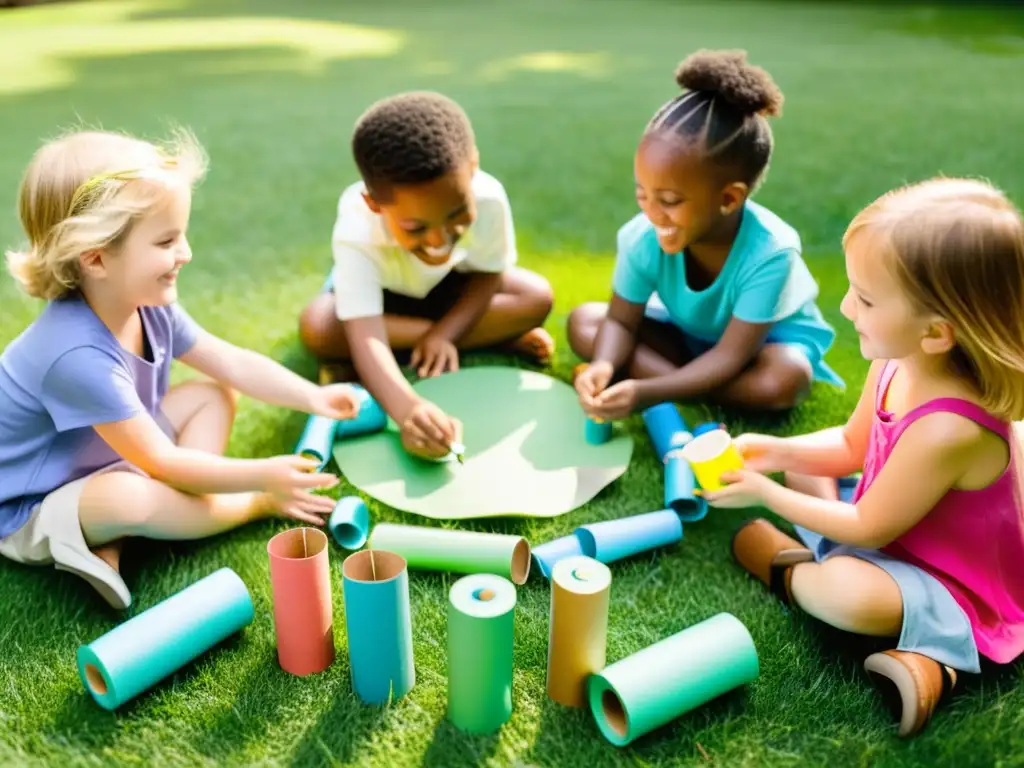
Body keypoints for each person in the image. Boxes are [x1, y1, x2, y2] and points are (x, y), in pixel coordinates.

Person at [708, 178, 1024, 737]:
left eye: (867, 299)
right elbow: (853, 447)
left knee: (844, 593)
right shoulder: (894, 360)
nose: (847, 305)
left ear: (937, 333)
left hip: (949, 577)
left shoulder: (949, 429)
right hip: (893, 526)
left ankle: (922, 656)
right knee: (806, 462)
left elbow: (869, 524)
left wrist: (766, 493)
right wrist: (774, 451)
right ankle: (839, 588)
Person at [0, 129, 361, 611]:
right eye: (167, 240)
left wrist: (311, 397)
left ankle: (143, 528)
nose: (185, 253)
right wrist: (261, 483)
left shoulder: (145, 300)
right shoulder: (74, 355)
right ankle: (200, 513)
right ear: (95, 258)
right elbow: (163, 462)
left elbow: (228, 362)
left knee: (214, 394)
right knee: (127, 499)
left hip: (107, 456)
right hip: (35, 503)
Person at [571, 49, 842, 420]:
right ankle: (694, 383)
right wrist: (603, 364)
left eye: (669, 200)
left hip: (760, 350)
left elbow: (733, 354)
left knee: (784, 380)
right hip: (691, 339)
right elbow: (620, 321)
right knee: (586, 323)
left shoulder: (772, 253)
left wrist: (646, 391)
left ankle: (682, 383)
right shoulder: (642, 236)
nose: (651, 212)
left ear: (729, 198)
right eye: (641, 193)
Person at [298, 91, 554, 460]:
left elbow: (489, 275)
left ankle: (436, 343)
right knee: (319, 327)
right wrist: (408, 409)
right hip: (385, 303)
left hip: (450, 289)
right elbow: (365, 332)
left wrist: (446, 334)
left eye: (456, 213)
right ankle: (492, 338)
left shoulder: (490, 198)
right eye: (415, 227)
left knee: (536, 296)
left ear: (474, 168)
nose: (439, 239)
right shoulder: (357, 223)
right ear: (374, 204)